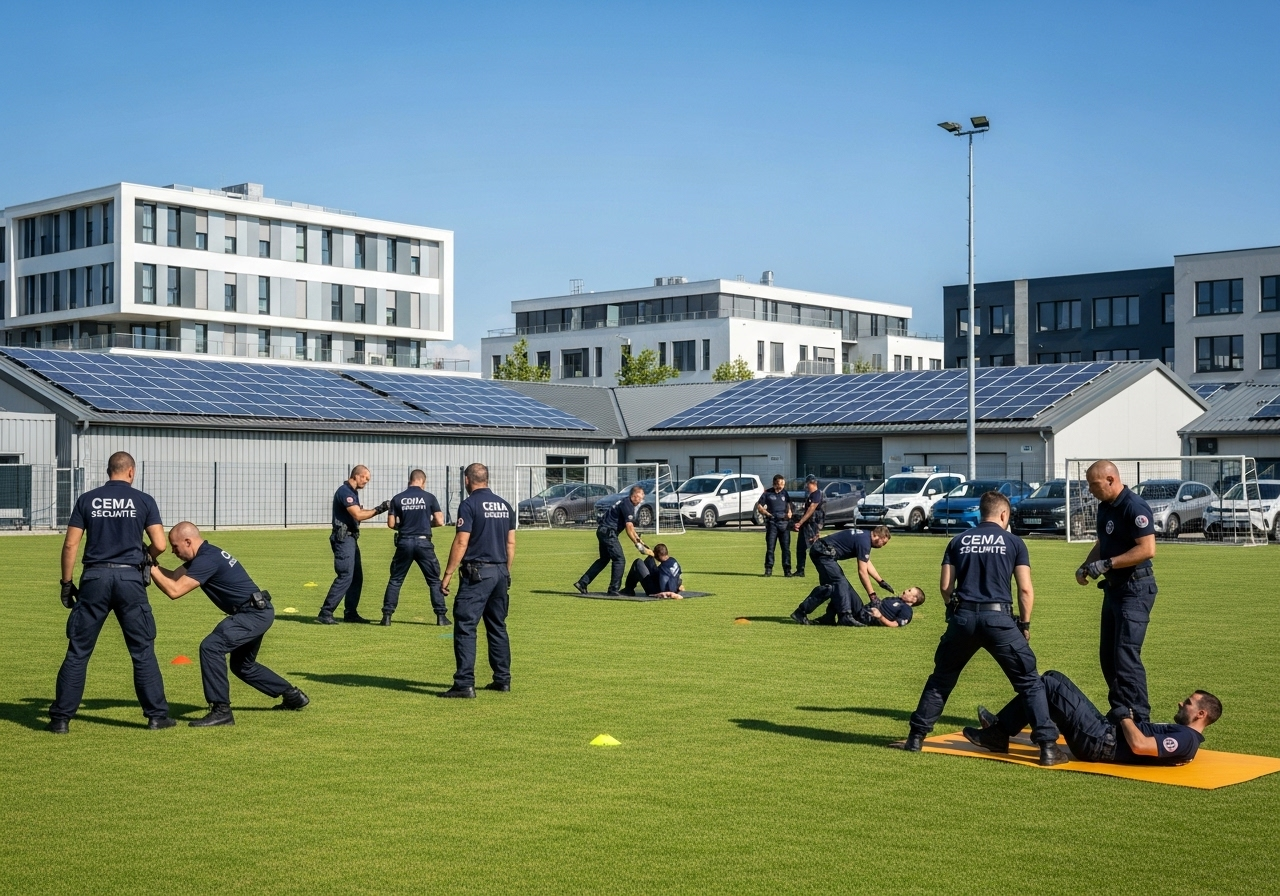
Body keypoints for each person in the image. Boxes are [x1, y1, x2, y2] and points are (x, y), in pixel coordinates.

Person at [900, 491, 1068, 766]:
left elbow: (945, 587)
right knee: (1029, 682)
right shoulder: (1014, 542)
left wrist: (953, 608)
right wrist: (1024, 624)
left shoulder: (958, 541)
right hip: (999, 619)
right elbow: (1025, 589)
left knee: (941, 680)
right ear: (1004, 514)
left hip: (963, 618)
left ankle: (915, 738)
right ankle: (1048, 748)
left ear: (980, 513)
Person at [48, 451, 175, 734]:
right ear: (131, 471)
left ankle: (60, 720)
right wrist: (145, 557)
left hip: (95, 577)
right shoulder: (144, 500)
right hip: (129, 578)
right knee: (142, 651)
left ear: (109, 471)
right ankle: (156, 716)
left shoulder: (87, 499)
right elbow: (160, 544)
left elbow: (70, 545)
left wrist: (67, 584)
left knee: (78, 651)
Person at [149, 522, 309, 727]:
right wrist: (150, 564)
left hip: (251, 614)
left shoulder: (207, 559)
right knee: (243, 666)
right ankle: (292, 695)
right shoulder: (204, 555)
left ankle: (221, 711)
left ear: (188, 541)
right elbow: (171, 577)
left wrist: (150, 566)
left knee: (211, 647)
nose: (173, 551)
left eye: (175, 546)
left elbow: (174, 591)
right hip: (257, 610)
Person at [966, 670, 1221, 766]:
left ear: (1201, 714)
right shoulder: (1185, 735)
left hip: (1101, 743)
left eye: (1188, 703)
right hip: (1103, 734)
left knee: (1050, 685)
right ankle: (1001, 728)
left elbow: (1140, 746)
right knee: (1052, 679)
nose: (1181, 702)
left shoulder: (1187, 740)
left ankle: (1000, 732)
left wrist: (1124, 717)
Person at [1076, 460, 1158, 722]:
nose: (1090, 489)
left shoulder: (1133, 506)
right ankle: (1121, 713)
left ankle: (1139, 719)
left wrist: (1108, 564)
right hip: (1113, 589)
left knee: (1125, 655)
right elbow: (1104, 542)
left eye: (1094, 484)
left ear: (1110, 479)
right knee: (1108, 656)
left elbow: (1147, 549)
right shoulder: (1105, 507)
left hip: (1135, 588)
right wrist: (1087, 565)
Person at [439, 463, 516, 698]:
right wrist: (505, 571)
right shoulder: (505, 505)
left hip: (477, 573)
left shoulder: (469, 504)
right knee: (497, 626)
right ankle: (502, 679)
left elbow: (462, 542)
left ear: (467, 480)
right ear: (487, 479)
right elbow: (510, 543)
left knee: (465, 626)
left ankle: (464, 684)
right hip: (500, 571)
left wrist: (448, 574)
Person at [318, 465, 389, 625]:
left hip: (350, 538)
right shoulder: (345, 492)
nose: (366, 482)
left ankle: (350, 613)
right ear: (358, 476)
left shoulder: (352, 493)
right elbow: (357, 514)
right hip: (343, 539)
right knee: (345, 575)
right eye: (366, 478)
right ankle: (326, 612)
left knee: (356, 578)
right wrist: (380, 509)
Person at [380, 469, 448, 627]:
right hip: (424, 542)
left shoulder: (398, 498)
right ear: (423, 482)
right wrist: (425, 525)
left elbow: (390, 524)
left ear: (410, 480)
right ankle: (441, 617)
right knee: (433, 580)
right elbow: (439, 520)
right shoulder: (429, 497)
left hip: (404, 541)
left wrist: (403, 526)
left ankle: (387, 617)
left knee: (396, 580)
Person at [790, 526, 892, 625]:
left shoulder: (864, 536)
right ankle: (845, 616)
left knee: (830, 588)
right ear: (879, 537)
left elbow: (866, 562)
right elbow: (862, 571)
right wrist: (872, 595)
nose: (882, 546)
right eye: (884, 543)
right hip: (823, 553)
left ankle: (825, 616)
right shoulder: (864, 541)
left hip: (822, 552)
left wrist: (880, 581)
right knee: (840, 582)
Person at [574, 485, 645, 596]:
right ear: (635, 496)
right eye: (640, 498)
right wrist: (637, 544)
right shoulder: (628, 505)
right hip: (609, 533)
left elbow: (631, 528)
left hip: (602, 530)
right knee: (619, 559)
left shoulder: (624, 502)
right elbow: (629, 528)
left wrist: (638, 539)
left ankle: (582, 582)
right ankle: (613, 589)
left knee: (604, 559)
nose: (641, 501)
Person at [756, 474, 793, 576]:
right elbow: (759, 506)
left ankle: (787, 570)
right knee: (770, 548)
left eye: (783, 484)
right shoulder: (767, 493)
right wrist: (767, 514)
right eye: (780, 484)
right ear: (775, 483)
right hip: (772, 523)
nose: (782, 486)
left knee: (786, 548)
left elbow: (789, 505)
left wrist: (789, 513)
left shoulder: (785, 493)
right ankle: (768, 569)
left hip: (784, 524)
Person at [791, 475, 825, 577]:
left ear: (812, 483)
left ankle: (824, 569)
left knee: (815, 549)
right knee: (801, 548)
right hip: (807, 525)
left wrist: (800, 522)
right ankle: (800, 570)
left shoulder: (816, 494)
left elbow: (811, 510)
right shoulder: (812, 495)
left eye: (808, 484)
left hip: (811, 526)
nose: (806, 486)